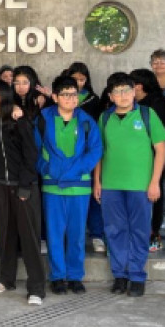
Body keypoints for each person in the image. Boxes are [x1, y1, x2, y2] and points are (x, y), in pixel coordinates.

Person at [94, 72, 165, 297]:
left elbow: (161, 150)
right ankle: (120, 275)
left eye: (127, 90)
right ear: (111, 96)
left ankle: (136, 275)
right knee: (114, 231)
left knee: (139, 230)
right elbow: (100, 153)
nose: (123, 95)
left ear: (134, 91)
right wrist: (97, 182)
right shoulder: (104, 118)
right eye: (118, 91)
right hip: (111, 186)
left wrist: (154, 182)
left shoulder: (147, 114)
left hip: (140, 186)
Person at [35, 75, 102, 295]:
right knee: (54, 233)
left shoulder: (86, 121)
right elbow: (33, 151)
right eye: (65, 94)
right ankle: (57, 276)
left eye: (73, 94)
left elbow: (95, 151)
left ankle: (75, 276)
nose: (70, 99)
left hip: (79, 187)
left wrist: (75, 171)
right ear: (54, 97)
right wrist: (47, 169)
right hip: (52, 186)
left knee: (76, 234)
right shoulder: (43, 119)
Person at [0, 80, 45, 305]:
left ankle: (37, 288)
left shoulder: (20, 121)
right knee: (5, 234)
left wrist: (25, 185)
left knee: (29, 237)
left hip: (23, 185)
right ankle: (6, 279)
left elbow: (31, 155)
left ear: (5, 94)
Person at [130, 68, 165, 251]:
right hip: (139, 161)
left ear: (138, 86)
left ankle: (153, 234)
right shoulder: (141, 104)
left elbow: (160, 141)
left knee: (154, 194)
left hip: (154, 159)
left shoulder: (152, 107)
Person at [65, 61, 105, 253]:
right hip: (65, 159)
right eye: (74, 79)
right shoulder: (58, 100)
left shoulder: (92, 100)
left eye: (82, 79)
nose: (78, 83)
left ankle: (97, 234)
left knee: (94, 196)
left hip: (88, 156)